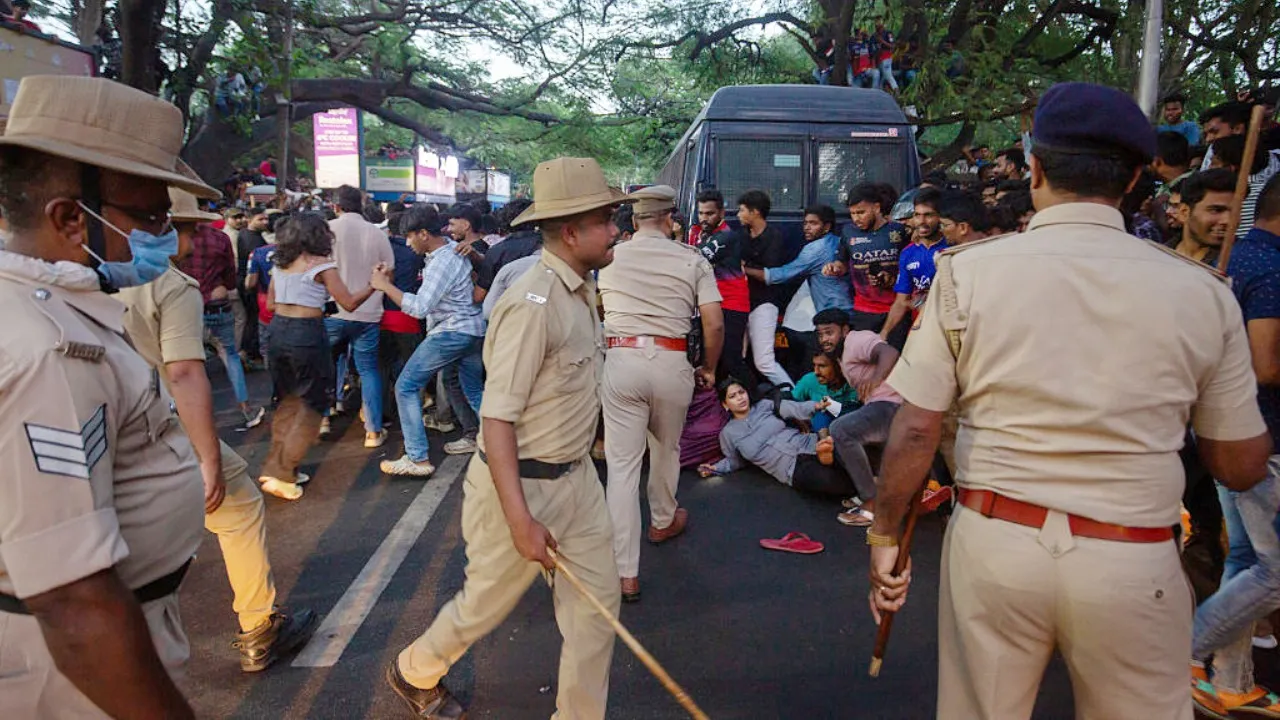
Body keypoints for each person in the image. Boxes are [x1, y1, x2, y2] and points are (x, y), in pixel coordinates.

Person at [866, 82, 1272, 720]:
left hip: (995, 544)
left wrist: (885, 533)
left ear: (1033, 167)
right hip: (1134, 556)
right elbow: (1240, 465)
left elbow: (917, 430)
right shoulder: (1203, 293)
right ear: (1138, 176)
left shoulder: (968, 272)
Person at [0, 75, 210, 718]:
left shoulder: (60, 312)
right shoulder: (49, 352)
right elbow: (75, 601)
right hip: (76, 677)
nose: (168, 238)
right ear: (70, 218)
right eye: (149, 217)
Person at [387, 158, 625, 720]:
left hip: (576, 480)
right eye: (606, 220)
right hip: (517, 484)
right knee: (484, 607)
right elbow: (495, 421)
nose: (617, 229)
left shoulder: (582, 291)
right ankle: (415, 668)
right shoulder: (531, 303)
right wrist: (521, 520)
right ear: (571, 231)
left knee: (597, 609)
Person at [118, 189, 317, 672]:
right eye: (184, 229)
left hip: (89, 431)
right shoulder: (168, 284)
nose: (190, 242)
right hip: (157, 424)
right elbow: (185, 373)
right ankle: (257, 627)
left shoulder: (79, 275)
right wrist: (208, 458)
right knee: (236, 505)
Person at [597, 185, 723, 603]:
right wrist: (709, 368)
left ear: (633, 221)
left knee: (622, 467)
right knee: (666, 448)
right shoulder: (692, 258)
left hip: (620, 360)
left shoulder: (611, 255)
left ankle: (624, 573)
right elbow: (714, 324)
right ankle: (663, 520)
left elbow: (595, 306)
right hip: (672, 361)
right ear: (670, 218)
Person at [1192, 174, 1280, 717]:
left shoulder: (1241, 259)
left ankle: (1229, 679)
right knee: (1275, 570)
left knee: (1248, 560)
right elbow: (1267, 362)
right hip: (1261, 438)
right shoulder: (1269, 267)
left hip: (1231, 432)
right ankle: (1179, 656)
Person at [262, 212, 376, 500]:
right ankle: (283, 474)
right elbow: (349, 303)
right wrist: (376, 283)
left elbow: (272, 303)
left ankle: (280, 465)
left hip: (277, 332)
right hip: (306, 334)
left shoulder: (279, 263)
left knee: (287, 401)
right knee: (312, 404)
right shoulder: (322, 264)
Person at [376, 204, 487, 476]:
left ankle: (417, 458)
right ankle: (501, 439)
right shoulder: (451, 251)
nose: (408, 243)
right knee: (472, 388)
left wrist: (385, 286)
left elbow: (420, 307)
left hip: (452, 332)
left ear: (424, 234)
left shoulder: (442, 260)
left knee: (405, 386)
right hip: (471, 329)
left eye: (410, 236)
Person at [176, 201, 266, 428]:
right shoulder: (220, 238)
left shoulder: (171, 239)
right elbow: (229, 277)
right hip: (217, 304)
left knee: (190, 365)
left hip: (184, 306)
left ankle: (193, 416)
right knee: (230, 356)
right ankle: (245, 408)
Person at [699, 378, 854, 498]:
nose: (740, 398)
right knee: (828, 480)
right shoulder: (728, 433)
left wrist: (815, 406)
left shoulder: (764, 405)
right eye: (733, 396)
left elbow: (792, 408)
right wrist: (716, 468)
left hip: (806, 443)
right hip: (791, 468)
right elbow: (735, 461)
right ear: (725, 404)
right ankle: (864, 490)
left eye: (741, 392)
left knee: (844, 452)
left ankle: (835, 460)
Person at [327, 185, 394, 448]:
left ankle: (324, 416)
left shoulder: (326, 230)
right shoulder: (376, 234)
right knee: (368, 370)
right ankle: (373, 431)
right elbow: (389, 272)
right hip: (368, 313)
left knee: (328, 364)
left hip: (332, 311)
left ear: (336, 206)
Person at [822, 183, 910, 350]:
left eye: (861, 212)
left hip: (896, 308)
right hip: (864, 310)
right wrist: (834, 268)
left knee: (894, 359)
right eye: (853, 213)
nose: (856, 218)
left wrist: (891, 280)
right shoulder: (848, 232)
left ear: (876, 208)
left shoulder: (899, 231)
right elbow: (842, 263)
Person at [743, 204, 851, 314]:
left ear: (827, 227)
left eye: (813, 223)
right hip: (847, 307)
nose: (806, 228)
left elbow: (781, 275)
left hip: (832, 311)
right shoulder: (839, 241)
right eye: (805, 223)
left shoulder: (816, 248)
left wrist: (744, 269)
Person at [739, 189, 798, 387]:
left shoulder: (774, 237)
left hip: (764, 303)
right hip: (741, 303)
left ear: (755, 212)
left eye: (742, 211)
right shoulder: (742, 236)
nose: (738, 215)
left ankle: (794, 397)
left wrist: (744, 268)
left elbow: (769, 273)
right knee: (739, 357)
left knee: (764, 362)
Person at [690, 189, 750, 381]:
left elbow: (694, 258)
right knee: (714, 359)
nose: (704, 218)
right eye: (701, 213)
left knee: (730, 360)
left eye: (710, 213)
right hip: (713, 303)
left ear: (722, 213)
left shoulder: (726, 237)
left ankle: (758, 402)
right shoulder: (703, 234)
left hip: (732, 303)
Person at [880, 188, 946, 343]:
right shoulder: (908, 253)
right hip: (921, 329)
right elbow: (901, 301)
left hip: (949, 326)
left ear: (941, 217)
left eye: (928, 215)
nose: (921, 221)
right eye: (917, 215)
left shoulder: (953, 248)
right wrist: (884, 333)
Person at [1174, 168, 1236, 266]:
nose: (1227, 220)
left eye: (1236, 212)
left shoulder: (1241, 264)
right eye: (1216, 210)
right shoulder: (1157, 255)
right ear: (1184, 212)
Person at [789, 347, 858, 432]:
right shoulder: (810, 380)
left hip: (854, 429)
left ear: (839, 366)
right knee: (822, 413)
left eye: (822, 366)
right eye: (814, 365)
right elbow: (787, 403)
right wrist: (798, 419)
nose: (816, 372)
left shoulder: (856, 382)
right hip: (821, 433)